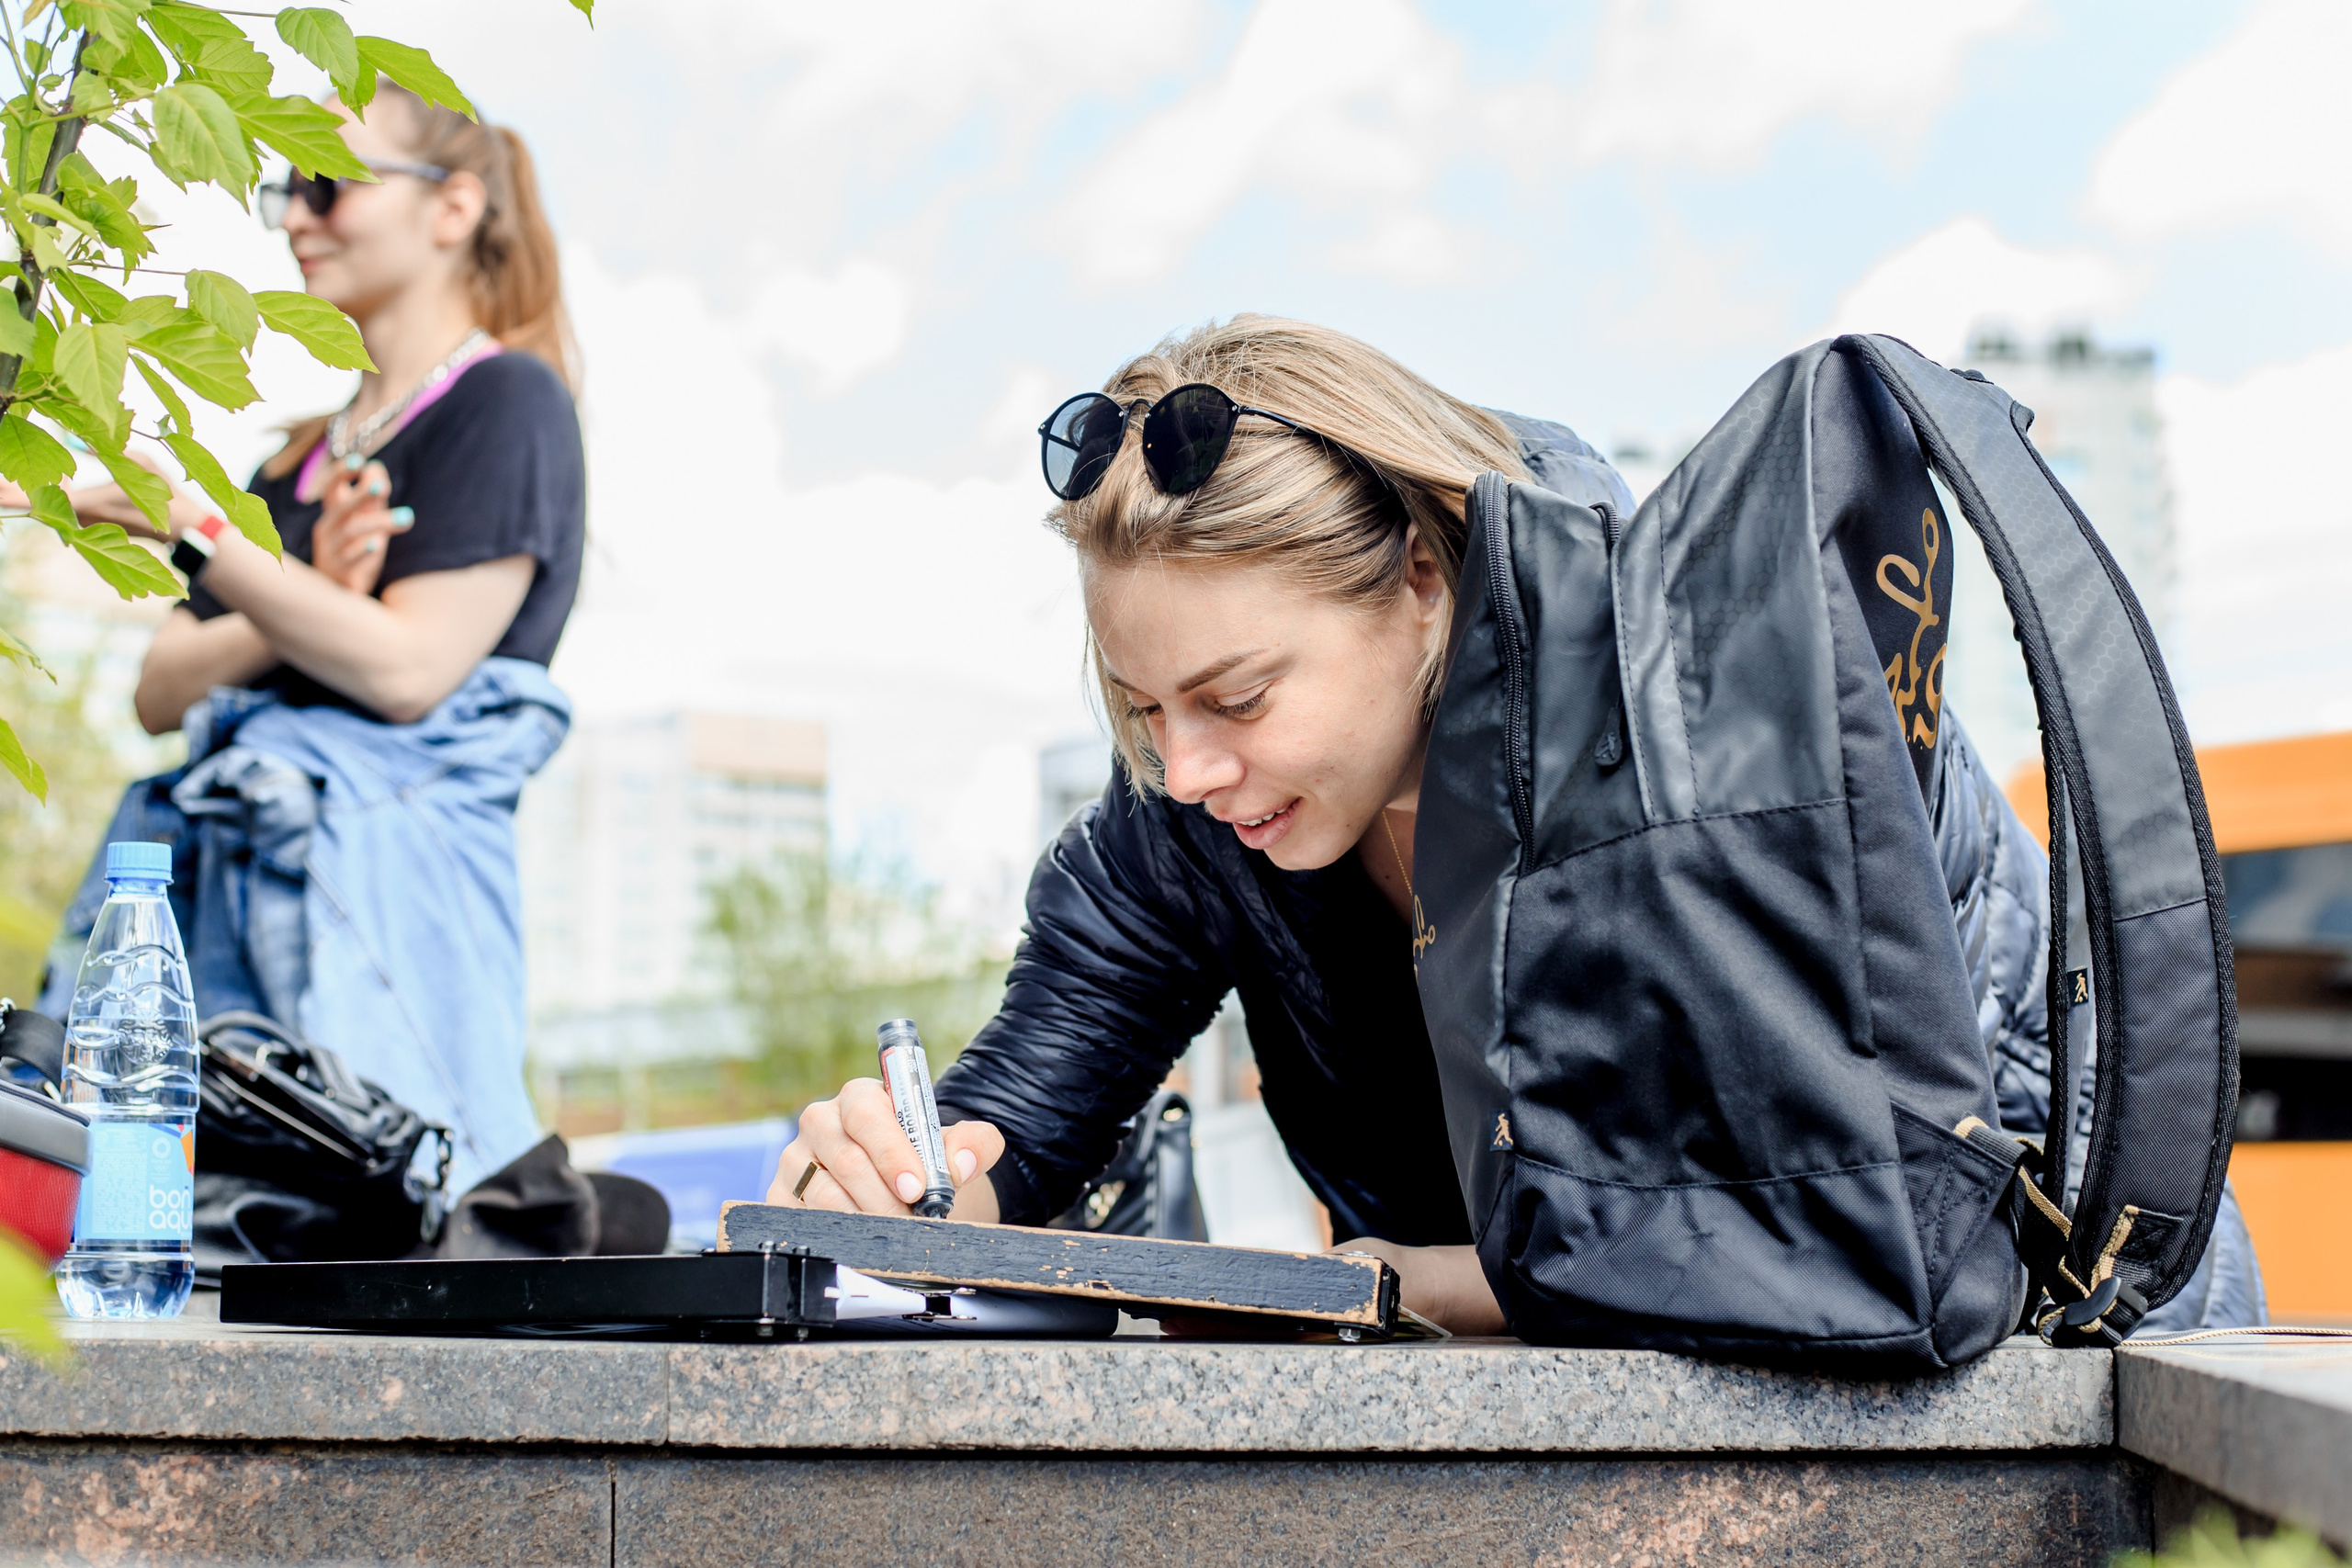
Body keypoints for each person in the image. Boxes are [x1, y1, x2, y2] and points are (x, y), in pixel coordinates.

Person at [765, 315, 2263, 1337]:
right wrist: (922, 1194)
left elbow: (1838, 1234)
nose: (1188, 768)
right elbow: (1019, 1117)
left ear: (1423, 575)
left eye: (1235, 694)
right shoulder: (1186, 829)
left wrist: (1424, 1282)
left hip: (2071, 1333)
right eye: (1144, 707)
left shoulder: (1710, 709)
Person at [38, 84, 584, 1195]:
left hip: (377, 907)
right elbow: (159, 689)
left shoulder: (506, 401)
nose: (296, 216)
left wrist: (196, 531)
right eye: (286, 187)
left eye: (328, 185)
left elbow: (407, 667)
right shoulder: (286, 465)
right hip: (214, 902)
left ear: (454, 207)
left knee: (393, 1223)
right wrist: (302, 596)